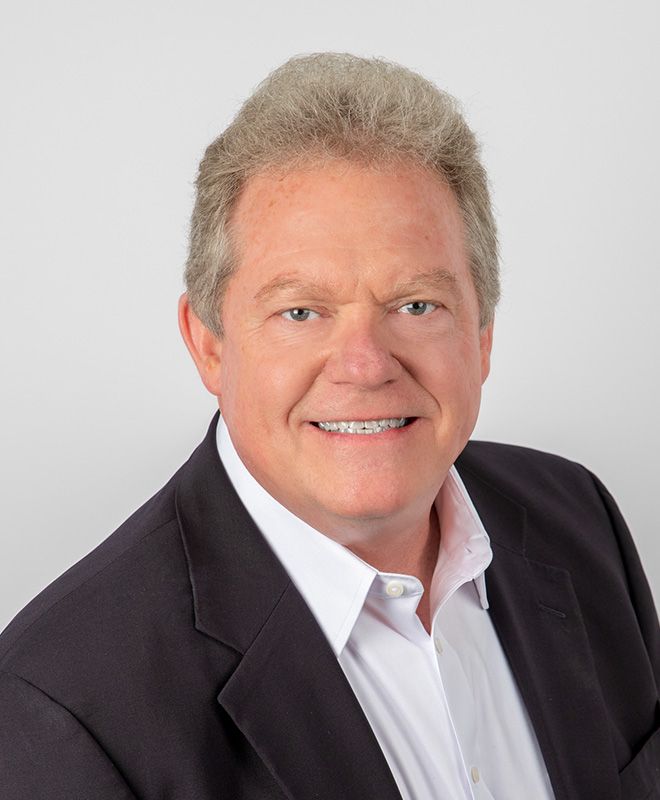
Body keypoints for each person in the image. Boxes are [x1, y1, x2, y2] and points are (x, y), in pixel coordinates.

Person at [0, 53, 658, 800]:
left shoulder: (580, 520)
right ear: (209, 344)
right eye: (301, 312)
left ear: (481, 335)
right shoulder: (60, 711)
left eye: (416, 305)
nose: (365, 364)